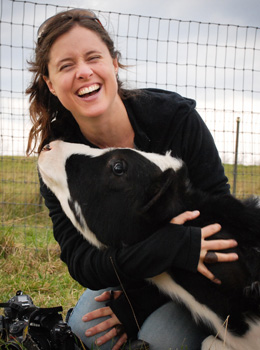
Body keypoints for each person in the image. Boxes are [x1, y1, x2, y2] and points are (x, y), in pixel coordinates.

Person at [26, 9, 239, 350]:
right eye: (66, 66)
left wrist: (139, 308)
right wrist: (166, 248)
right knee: (84, 328)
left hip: (195, 275)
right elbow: (81, 261)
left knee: (159, 341)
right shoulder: (61, 162)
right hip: (131, 278)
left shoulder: (175, 119)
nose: (83, 72)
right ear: (50, 83)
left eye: (93, 57)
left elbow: (215, 221)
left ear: (113, 63)